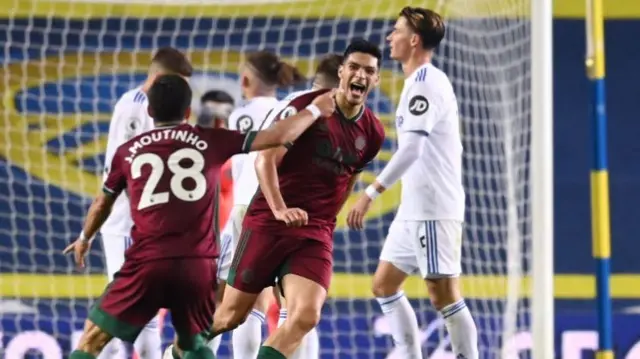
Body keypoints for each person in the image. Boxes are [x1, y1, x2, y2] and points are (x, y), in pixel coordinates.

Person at [63, 73, 337, 359]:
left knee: (91, 341)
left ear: (149, 111)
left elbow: (101, 203)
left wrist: (85, 237)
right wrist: (316, 109)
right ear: (187, 111)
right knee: (195, 345)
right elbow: (277, 136)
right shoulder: (209, 140)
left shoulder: (128, 151)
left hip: (147, 261)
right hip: (197, 266)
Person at [209, 39, 386, 359]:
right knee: (231, 315)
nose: (360, 75)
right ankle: (178, 352)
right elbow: (265, 160)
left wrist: (328, 218)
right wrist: (279, 208)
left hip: (314, 231)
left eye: (369, 71)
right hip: (268, 222)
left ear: (376, 80)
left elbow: (351, 175)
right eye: (355, 67)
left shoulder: (372, 133)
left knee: (305, 315)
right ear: (342, 72)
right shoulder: (307, 108)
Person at [346, 7, 479, 359]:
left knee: (443, 294)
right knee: (384, 285)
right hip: (413, 208)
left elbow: (413, 149)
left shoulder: (427, 83)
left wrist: (371, 194)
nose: (390, 37)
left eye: (397, 31)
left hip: (434, 206)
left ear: (414, 40)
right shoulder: (414, 83)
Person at [210, 50, 306, 358]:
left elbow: (229, 166)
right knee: (278, 303)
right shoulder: (288, 112)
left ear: (245, 80)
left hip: (245, 211)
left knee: (221, 299)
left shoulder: (239, 115)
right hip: (279, 210)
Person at [98, 46, 193, 359]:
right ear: (158, 77)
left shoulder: (135, 102)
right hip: (131, 222)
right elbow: (131, 168)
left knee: (140, 312)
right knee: (131, 313)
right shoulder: (137, 107)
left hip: (144, 223)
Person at [197, 90, 236, 229]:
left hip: (231, 238)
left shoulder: (244, 155)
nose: (217, 123)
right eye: (209, 116)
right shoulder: (184, 154)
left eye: (223, 117)